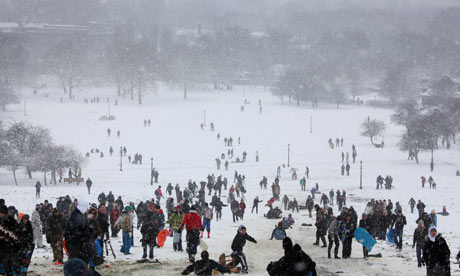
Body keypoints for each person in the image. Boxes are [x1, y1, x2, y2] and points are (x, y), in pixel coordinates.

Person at [64, 199, 93, 264]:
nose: (87, 209)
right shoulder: (76, 216)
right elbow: (76, 230)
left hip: (78, 242)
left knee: (79, 260)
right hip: (75, 243)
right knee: (76, 261)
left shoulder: (81, 215)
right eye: (86, 207)